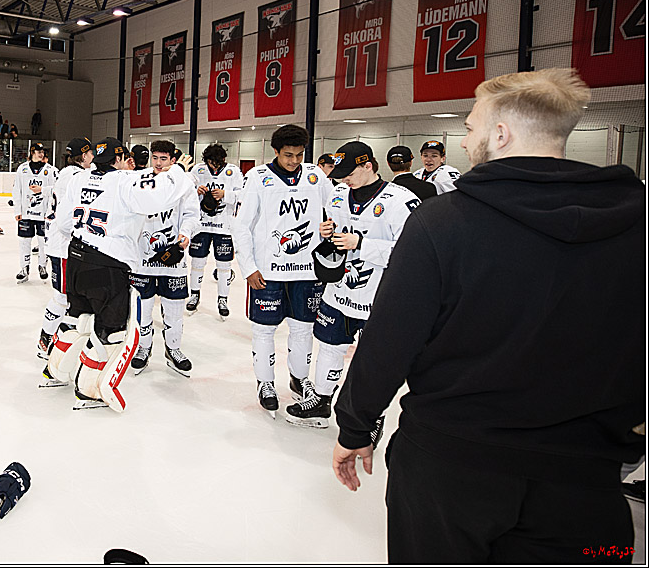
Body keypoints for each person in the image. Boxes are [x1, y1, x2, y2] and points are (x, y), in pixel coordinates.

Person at [332, 69, 645, 563]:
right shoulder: (637, 225)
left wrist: (355, 427)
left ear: (500, 134)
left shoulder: (442, 222)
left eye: (473, 126)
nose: (467, 137)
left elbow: (391, 339)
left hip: (450, 468)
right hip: (585, 482)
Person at [44, 138, 191, 412]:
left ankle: (54, 371)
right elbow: (160, 195)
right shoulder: (125, 181)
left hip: (76, 258)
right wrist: (178, 170)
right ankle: (89, 390)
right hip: (107, 267)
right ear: (119, 158)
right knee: (110, 332)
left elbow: (63, 223)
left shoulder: (79, 179)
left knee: (77, 320)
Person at [288, 141, 419, 427]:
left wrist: (362, 243)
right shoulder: (337, 194)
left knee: (374, 359)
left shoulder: (400, 201)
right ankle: (321, 400)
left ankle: (372, 418)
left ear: (368, 166)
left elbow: (413, 252)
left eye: (349, 172)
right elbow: (334, 234)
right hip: (338, 291)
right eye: (340, 173)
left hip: (378, 298)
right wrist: (327, 232)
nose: (344, 179)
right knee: (329, 345)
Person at [232, 125, 334, 418]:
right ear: (275, 152)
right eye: (288, 155)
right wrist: (249, 267)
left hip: (306, 270)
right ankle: (265, 382)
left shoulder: (315, 176)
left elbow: (336, 207)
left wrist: (332, 226)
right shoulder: (258, 178)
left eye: (299, 155)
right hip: (269, 272)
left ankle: (300, 379)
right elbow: (241, 226)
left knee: (303, 330)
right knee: (264, 330)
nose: (294, 161)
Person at [129, 140, 199, 377]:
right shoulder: (140, 180)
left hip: (173, 260)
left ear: (173, 159)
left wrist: (186, 233)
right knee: (143, 309)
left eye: (164, 159)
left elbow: (192, 214)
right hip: (143, 261)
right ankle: (143, 348)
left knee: (174, 311)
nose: (158, 163)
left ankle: (174, 349)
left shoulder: (185, 183)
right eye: (155, 158)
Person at [36, 137, 93, 369]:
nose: (93, 158)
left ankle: (55, 337)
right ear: (83, 155)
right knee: (62, 297)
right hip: (64, 248)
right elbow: (66, 219)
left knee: (69, 297)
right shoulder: (76, 176)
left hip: (65, 246)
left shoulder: (68, 172)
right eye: (90, 154)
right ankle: (46, 339)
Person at [187, 143, 243, 317]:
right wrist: (196, 191)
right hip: (201, 225)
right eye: (211, 163)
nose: (214, 167)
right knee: (197, 262)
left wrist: (226, 194)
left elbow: (244, 195)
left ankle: (223, 299)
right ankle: (194, 295)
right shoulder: (198, 170)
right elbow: (184, 192)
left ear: (224, 160)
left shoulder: (234, 171)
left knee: (224, 265)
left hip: (224, 226)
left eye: (217, 164)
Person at [11, 143, 56, 283]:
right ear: (32, 152)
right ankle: (24, 268)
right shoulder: (22, 169)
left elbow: (55, 191)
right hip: (26, 213)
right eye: (38, 151)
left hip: (43, 214)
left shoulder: (51, 170)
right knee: (24, 241)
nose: (41, 154)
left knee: (43, 241)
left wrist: (51, 212)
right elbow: (16, 190)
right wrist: (17, 210)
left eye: (42, 151)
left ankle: (42, 266)